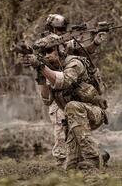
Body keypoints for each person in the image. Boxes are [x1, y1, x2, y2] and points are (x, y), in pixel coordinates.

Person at [23, 33, 108, 170]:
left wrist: (41, 66)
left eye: (49, 51)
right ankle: (101, 155)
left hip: (93, 113)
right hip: (74, 122)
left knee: (71, 106)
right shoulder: (50, 70)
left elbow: (64, 81)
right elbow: (47, 100)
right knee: (71, 167)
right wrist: (40, 73)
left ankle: (93, 158)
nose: (46, 55)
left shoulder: (74, 63)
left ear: (60, 49)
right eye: (43, 53)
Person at [43, 14, 109, 167]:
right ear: (50, 28)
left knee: (75, 121)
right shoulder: (46, 44)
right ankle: (76, 158)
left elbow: (83, 50)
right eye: (58, 29)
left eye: (62, 30)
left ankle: (92, 156)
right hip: (56, 88)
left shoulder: (65, 44)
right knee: (62, 128)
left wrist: (95, 43)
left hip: (72, 88)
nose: (61, 32)